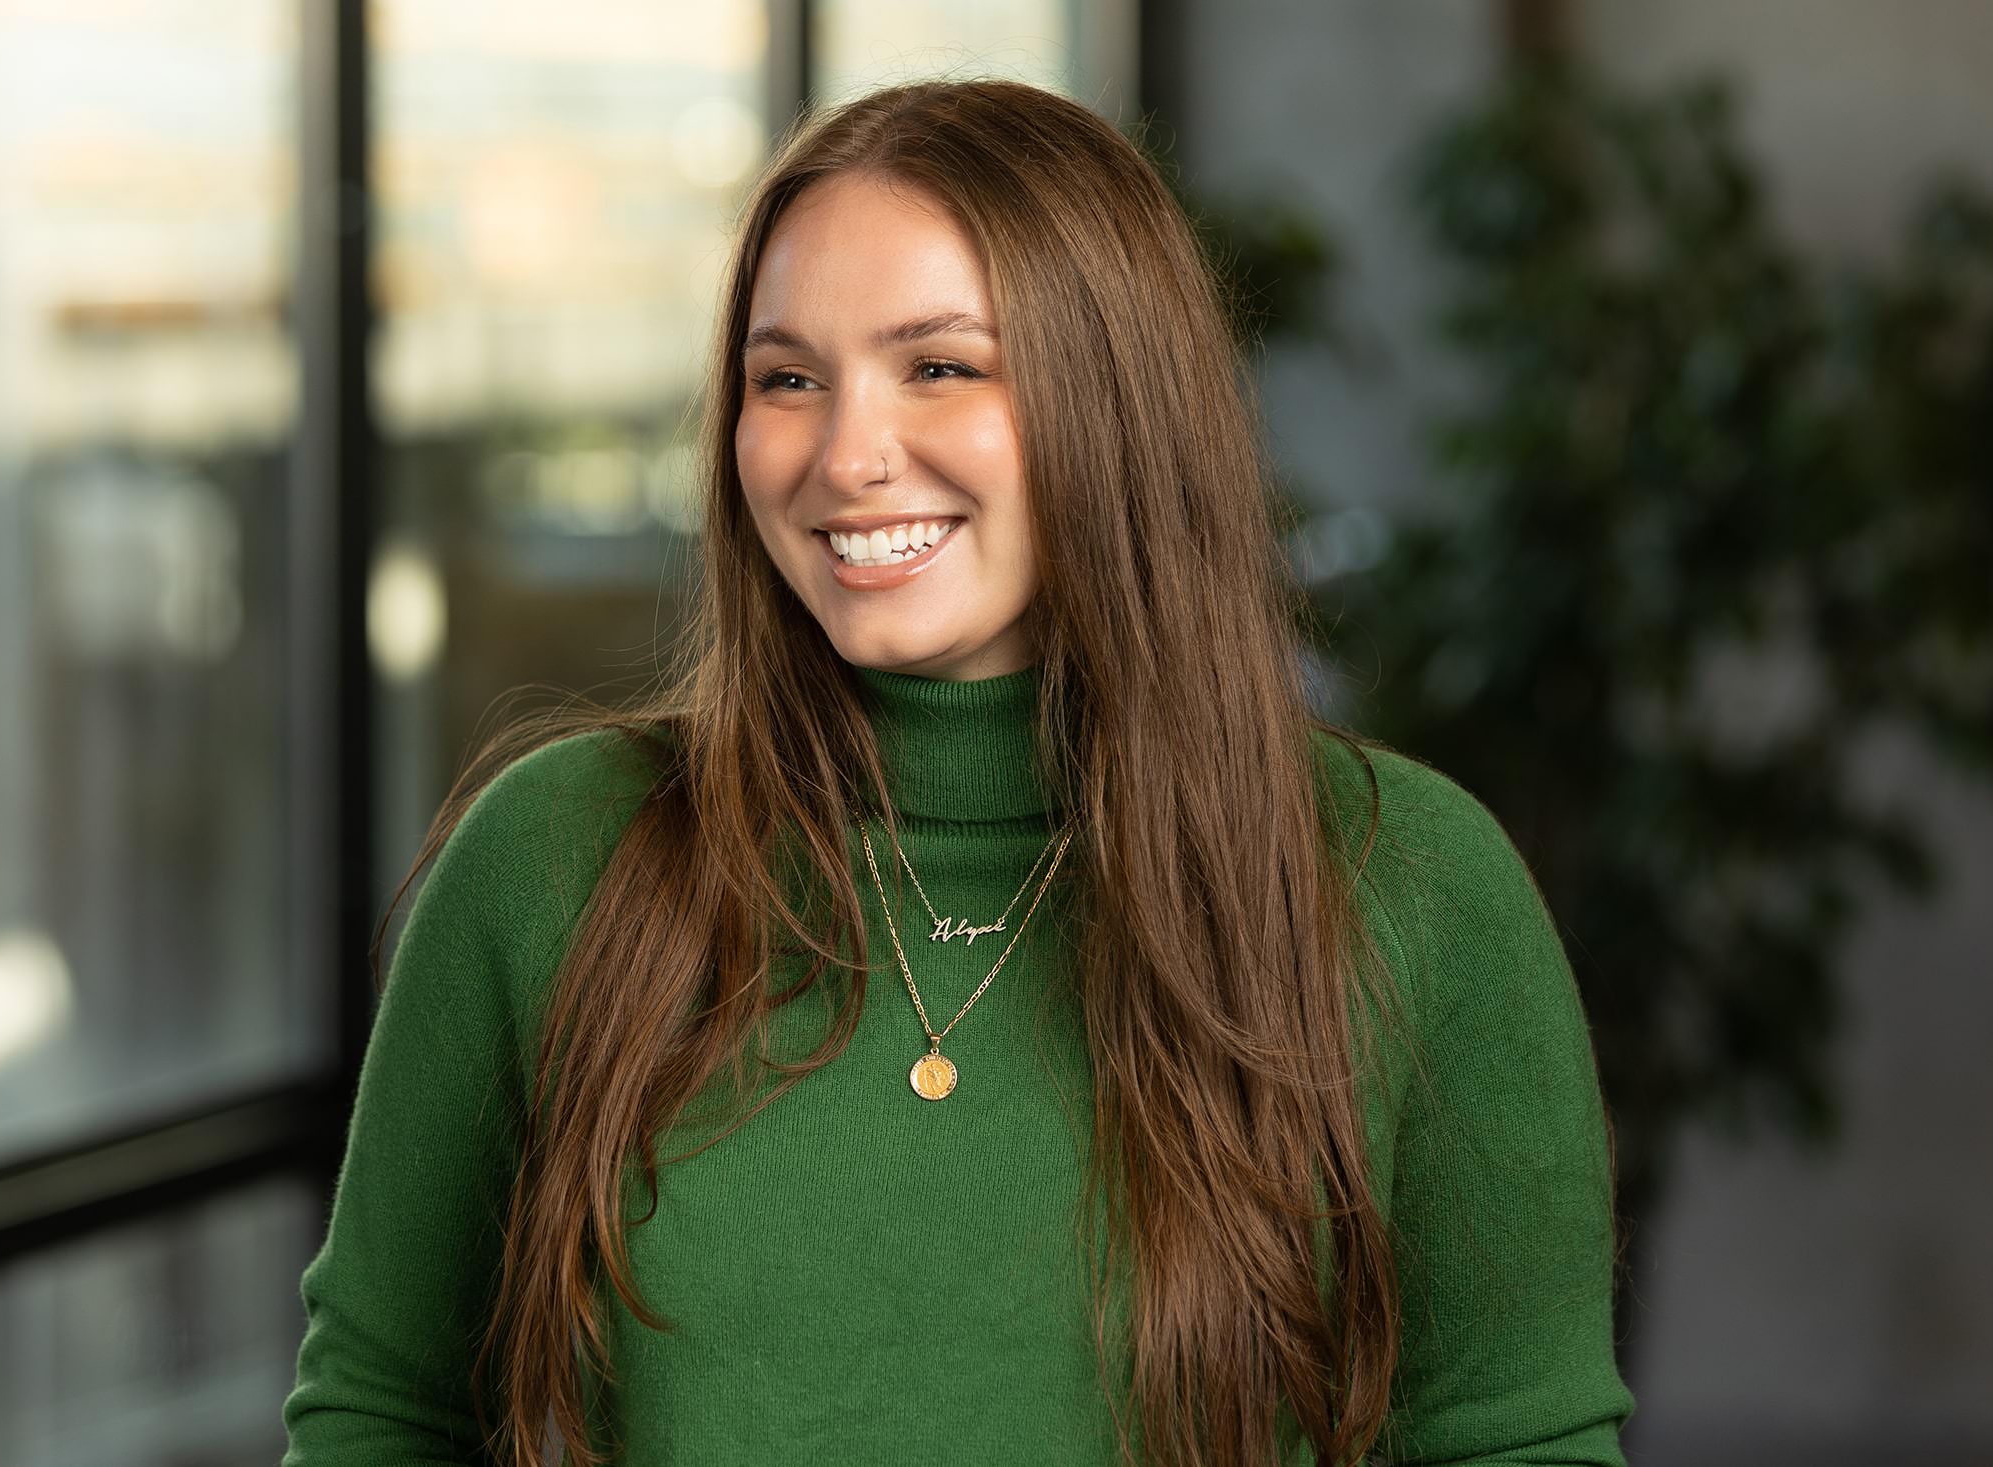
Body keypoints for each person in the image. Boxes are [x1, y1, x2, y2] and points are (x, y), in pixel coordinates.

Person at [280, 77, 1634, 1467]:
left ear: (1115, 399)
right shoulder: (557, 858)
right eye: (787, 378)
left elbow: (1515, 1445)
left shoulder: (1407, 879)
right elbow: (381, 1420)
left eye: (941, 366)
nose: (848, 455)